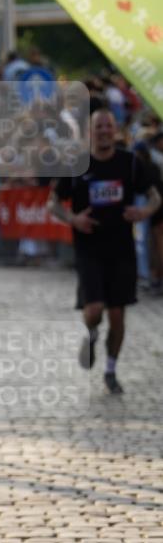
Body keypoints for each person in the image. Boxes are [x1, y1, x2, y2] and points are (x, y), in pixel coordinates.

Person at [49, 108, 161, 394]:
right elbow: (53, 204)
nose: (104, 131)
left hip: (122, 248)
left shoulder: (130, 163)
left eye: (108, 126)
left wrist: (144, 211)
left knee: (118, 315)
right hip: (89, 248)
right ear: (90, 131)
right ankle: (91, 333)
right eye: (98, 126)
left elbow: (155, 196)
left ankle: (111, 370)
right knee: (95, 309)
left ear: (115, 130)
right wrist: (73, 219)